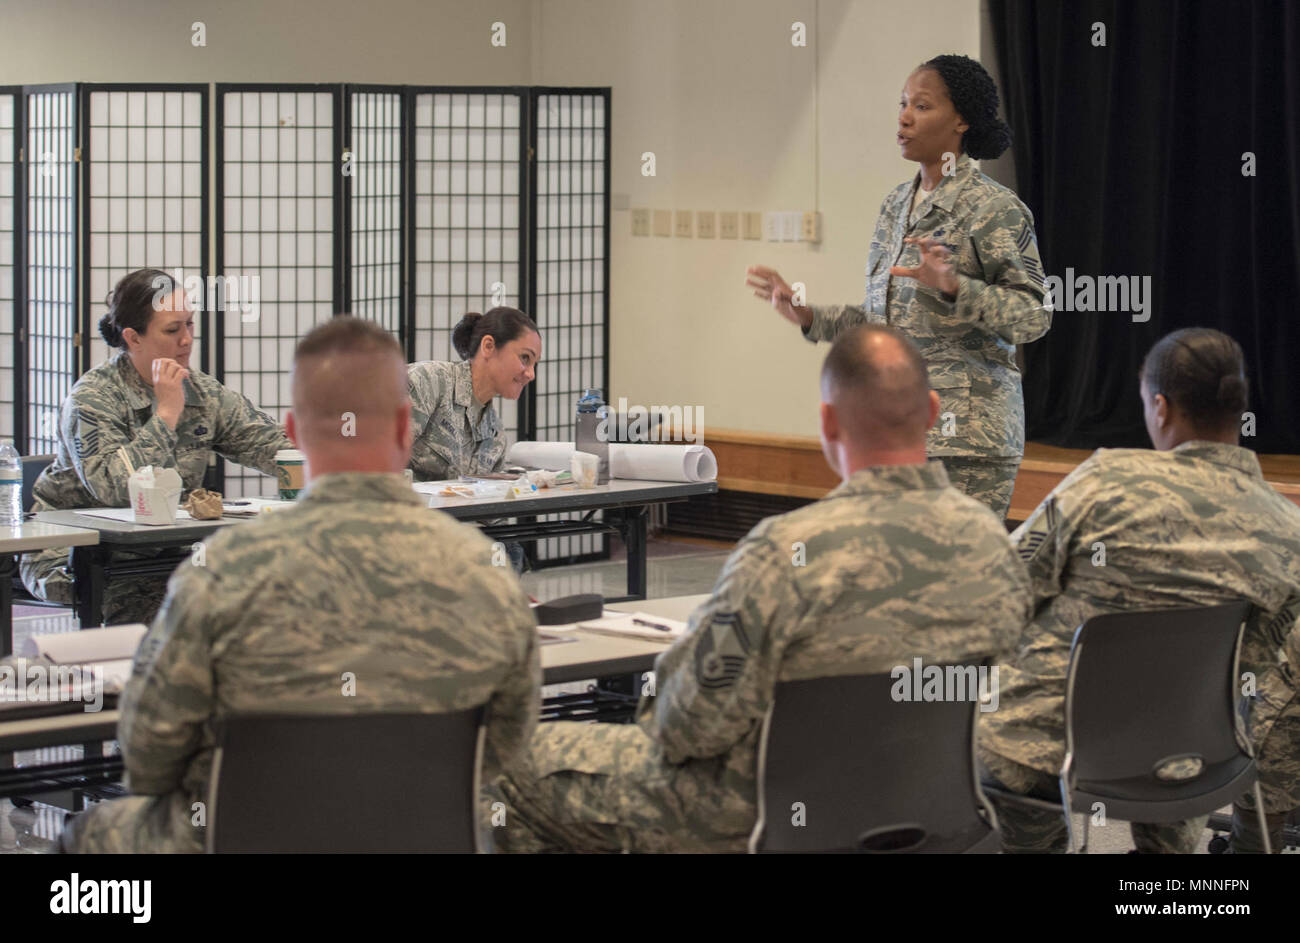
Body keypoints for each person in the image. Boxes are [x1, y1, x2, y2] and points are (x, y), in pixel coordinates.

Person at [487, 325, 1031, 853]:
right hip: (931, 809)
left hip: (756, 813)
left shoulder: (786, 552)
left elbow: (684, 729)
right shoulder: (993, 545)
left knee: (513, 762)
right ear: (934, 413)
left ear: (827, 422)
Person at [60, 317, 540, 853]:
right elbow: (506, 752)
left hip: (242, 836)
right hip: (421, 834)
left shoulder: (221, 574)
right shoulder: (487, 576)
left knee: (87, 837)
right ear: (406, 429)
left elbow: (148, 757)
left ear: (292, 433)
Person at [979, 328, 1300, 854]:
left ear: (1160, 406)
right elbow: (1257, 660)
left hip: (1047, 747)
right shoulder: (1289, 531)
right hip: (1189, 755)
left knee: (998, 759)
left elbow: (1005, 588)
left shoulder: (1104, 481)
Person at [747, 54, 1050, 519]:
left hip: (969, 440)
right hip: (894, 429)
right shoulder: (895, 205)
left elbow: (1033, 316)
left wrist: (955, 287)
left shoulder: (995, 209)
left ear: (962, 121)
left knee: (953, 582)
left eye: (922, 106)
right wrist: (808, 315)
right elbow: (883, 321)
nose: (904, 117)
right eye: (903, 104)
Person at [21, 269, 290, 624]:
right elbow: (115, 488)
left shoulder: (203, 392)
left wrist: (321, 462)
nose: (187, 340)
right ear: (133, 338)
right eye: (172, 329)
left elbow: (269, 443)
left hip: (165, 547)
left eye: (190, 325)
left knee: (269, 590)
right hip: (77, 552)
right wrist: (165, 415)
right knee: (165, 603)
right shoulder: (92, 398)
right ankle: (138, 679)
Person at [407, 307, 541, 481]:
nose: (531, 374)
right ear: (488, 346)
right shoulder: (426, 383)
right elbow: (374, 463)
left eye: (534, 364)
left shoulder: (495, 436)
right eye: (525, 358)